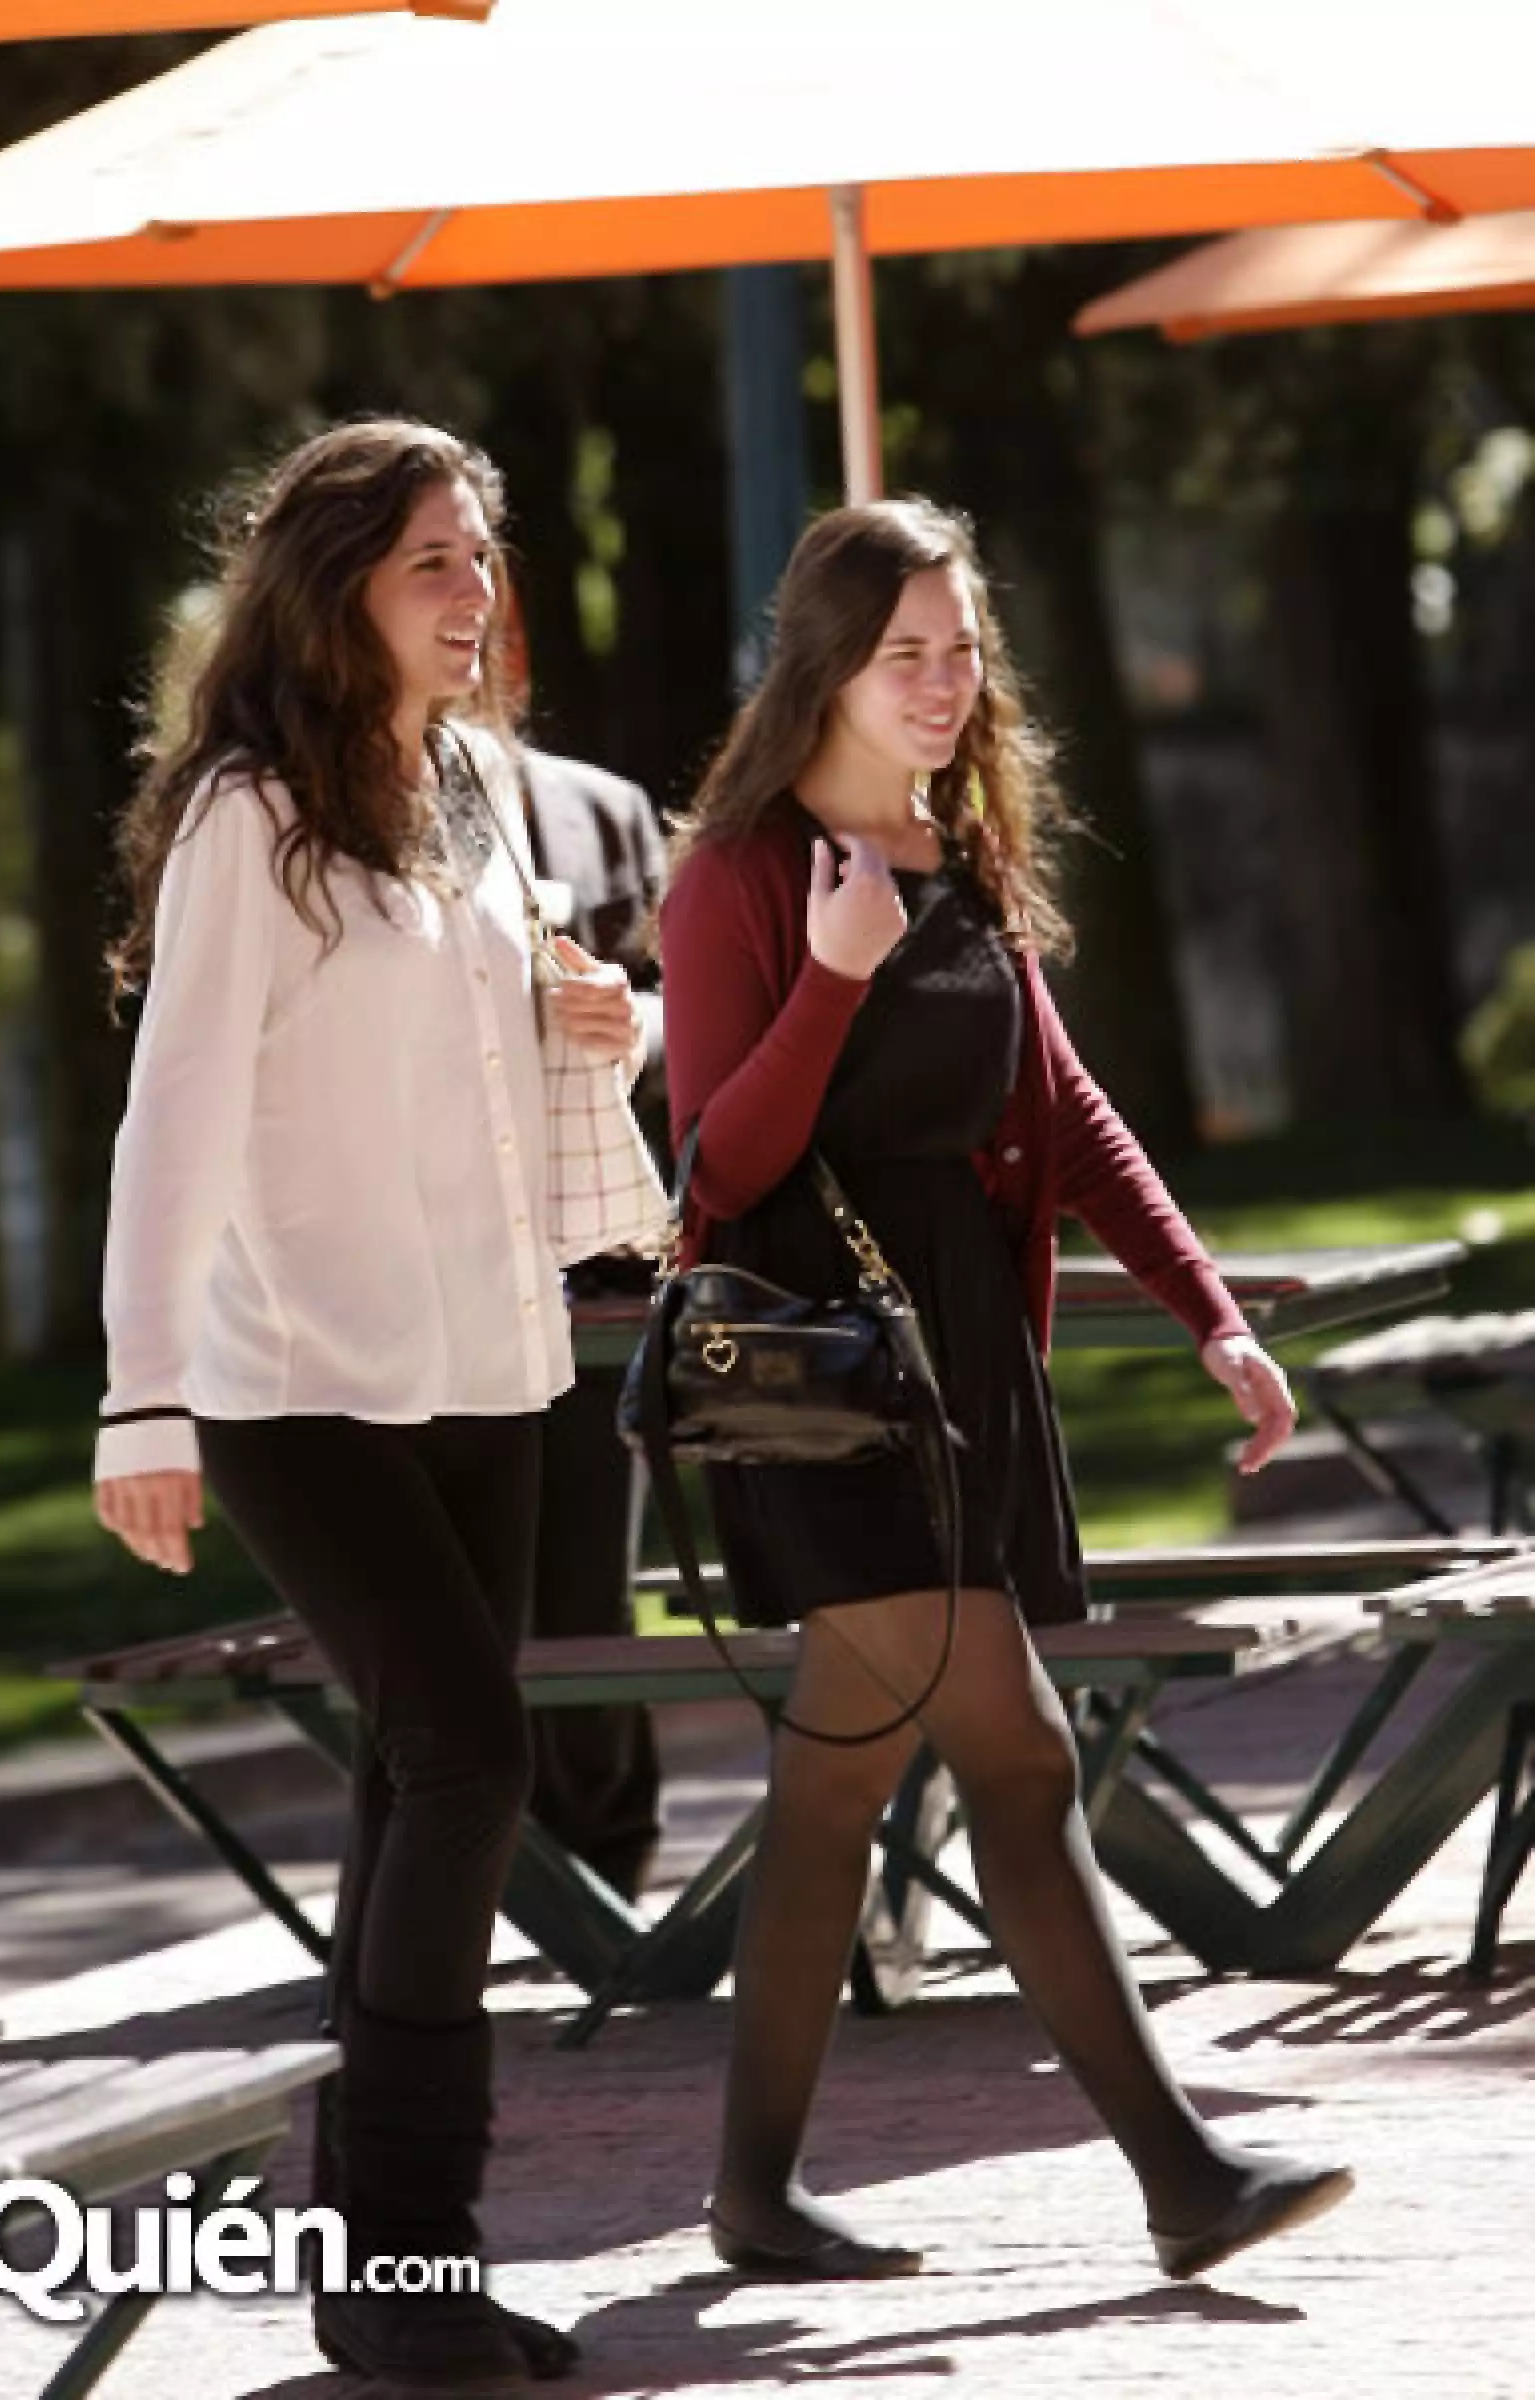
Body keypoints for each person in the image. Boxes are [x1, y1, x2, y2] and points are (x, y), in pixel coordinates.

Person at [658, 498, 1354, 2286]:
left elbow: (1069, 1111)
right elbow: (719, 1159)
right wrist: (830, 978)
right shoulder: (741, 871)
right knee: (1022, 1759)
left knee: (834, 1796)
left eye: (964, 649)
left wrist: (1212, 1313)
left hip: (963, 1368)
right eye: (908, 656)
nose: (948, 684)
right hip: (827, 1384)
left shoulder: (953, 840)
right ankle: (1182, 2174)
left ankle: (751, 2196)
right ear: (824, 664)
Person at [92, 418, 642, 2394]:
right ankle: (412, 2264)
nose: (471, 593)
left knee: (415, 1782)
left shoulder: (476, 791)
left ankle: (379, 2276)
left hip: (483, 1365)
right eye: (431, 560)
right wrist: (139, 1397)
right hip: (290, 1380)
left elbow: (485, 1041)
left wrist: (608, 1017)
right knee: (475, 1760)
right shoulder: (252, 812)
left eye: (480, 559)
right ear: (333, 586)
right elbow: (177, 1111)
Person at [517, 737, 666, 1902]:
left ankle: (604, 1868)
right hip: (417, 1265)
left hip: (590, 1272)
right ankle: (474, 1876)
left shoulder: (599, 806)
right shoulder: (326, 799)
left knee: (585, 1579)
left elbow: (680, 1002)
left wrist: (625, 1022)